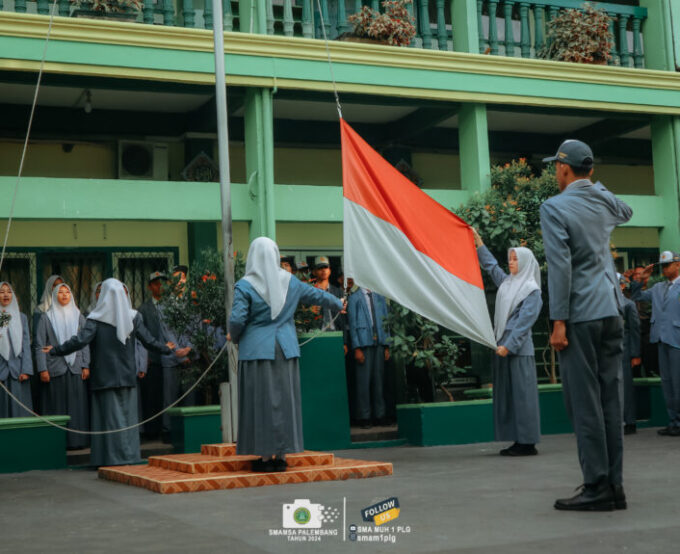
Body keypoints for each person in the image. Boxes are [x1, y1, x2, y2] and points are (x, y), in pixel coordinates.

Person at [540, 139, 632, 511]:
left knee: (586, 403)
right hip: (612, 310)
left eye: (556, 168)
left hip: (581, 315)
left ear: (563, 169)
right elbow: (626, 210)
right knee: (611, 400)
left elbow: (561, 268)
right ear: (590, 171)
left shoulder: (554, 207)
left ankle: (596, 485)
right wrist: (594, 183)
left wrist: (558, 321)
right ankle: (615, 486)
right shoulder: (602, 201)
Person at [228, 237, 344, 472]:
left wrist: (235, 336)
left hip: (256, 351)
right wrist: (338, 302)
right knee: (284, 401)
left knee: (260, 403)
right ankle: (281, 456)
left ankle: (263, 458)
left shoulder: (245, 285)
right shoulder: (290, 281)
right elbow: (317, 296)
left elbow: (237, 319)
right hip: (286, 349)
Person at [43, 279, 187, 467]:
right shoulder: (133, 317)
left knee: (108, 422)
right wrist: (167, 349)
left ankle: (109, 459)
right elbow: (149, 341)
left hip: (105, 378)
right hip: (127, 376)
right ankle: (128, 457)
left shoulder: (96, 318)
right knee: (127, 421)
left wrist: (55, 350)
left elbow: (79, 341)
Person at [473, 230, 542, 456]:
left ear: (524, 263)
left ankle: (528, 442)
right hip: (503, 348)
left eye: (515, 259)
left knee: (523, 398)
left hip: (518, 352)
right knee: (510, 398)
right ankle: (518, 440)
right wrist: (479, 242)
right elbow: (491, 267)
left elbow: (524, 323)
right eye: (510, 258)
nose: (511, 262)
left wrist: (509, 345)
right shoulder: (508, 284)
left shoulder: (531, 291)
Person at [630, 251, 680, 436]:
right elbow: (637, 296)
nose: (664, 269)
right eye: (662, 266)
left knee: (678, 383)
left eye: (668, 265)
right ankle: (674, 422)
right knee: (667, 383)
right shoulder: (658, 287)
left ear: (678, 265)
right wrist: (641, 279)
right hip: (661, 338)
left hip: (677, 339)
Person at [35, 284, 91, 449]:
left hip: (75, 367)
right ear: (53, 295)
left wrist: (85, 365)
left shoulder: (79, 316)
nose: (65, 295)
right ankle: (57, 442)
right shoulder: (46, 317)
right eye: (60, 292)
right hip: (55, 368)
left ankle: (77, 441)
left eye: (68, 291)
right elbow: (39, 345)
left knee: (77, 405)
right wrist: (42, 368)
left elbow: (85, 343)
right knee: (56, 405)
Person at [347, 286, 390, 429]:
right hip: (363, 343)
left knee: (379, 381)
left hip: (379, 343)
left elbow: (386, 322)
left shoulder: (379, 296)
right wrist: (357, 347)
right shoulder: (354, 298)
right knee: (363, 383)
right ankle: (364, 416)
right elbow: (352, 325)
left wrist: (387, 345)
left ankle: (380, 415)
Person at [137, 271, 168, 438]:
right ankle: (153, 432)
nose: (160, 286)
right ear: (150, 287)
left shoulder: (171, 306)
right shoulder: (143, 309)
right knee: (153, 396)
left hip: (170, 357)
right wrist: (145, 357)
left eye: (162, 283)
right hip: (153, 359)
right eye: (156, 283)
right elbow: (142, 336)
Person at [0, 281, 33, 417]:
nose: (6, 295)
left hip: (18, 372)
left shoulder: (22, 318)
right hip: (1, 371)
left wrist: (26, 369)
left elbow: (26, 345)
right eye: (2, 292)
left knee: (20, 412)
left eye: (9, 291)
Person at [618, 274, 641, 435]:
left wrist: (635, 354)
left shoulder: (629, 304)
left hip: (625, 350)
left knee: (626, 386)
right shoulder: (603, 303)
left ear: (622, 286)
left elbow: (635, 330)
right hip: (608, 351)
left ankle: (630, 421)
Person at [309, 256, 343, 331]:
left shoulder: (338, 292)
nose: (323, 270)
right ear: (314, 272)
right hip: (316, 334)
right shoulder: (310, 292)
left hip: (336, 333)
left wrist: (345, 340)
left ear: (330, 270)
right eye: (320, 268)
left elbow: (343, 318)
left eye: (326, 267)